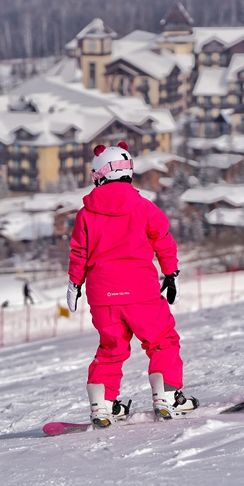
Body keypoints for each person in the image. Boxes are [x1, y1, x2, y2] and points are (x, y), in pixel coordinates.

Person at [66, 141, 198, 427]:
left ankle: (103, 404)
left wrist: (74, 284)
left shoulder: (86, 214)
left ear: (100, 173)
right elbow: (163, 241)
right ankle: (168, 396)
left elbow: (79, 252)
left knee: (110, 349)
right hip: (141, 293)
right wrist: (170, 273)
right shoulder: (144, 208)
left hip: (103, 297)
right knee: (162, 341)